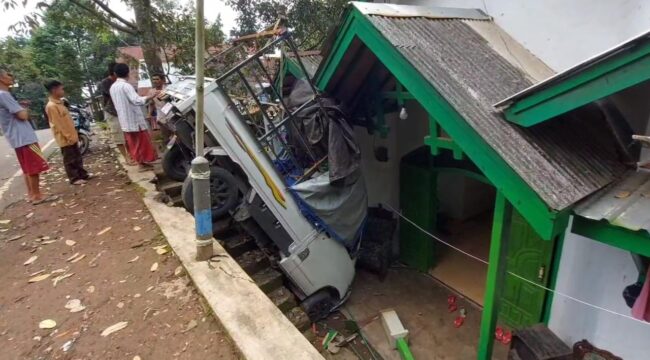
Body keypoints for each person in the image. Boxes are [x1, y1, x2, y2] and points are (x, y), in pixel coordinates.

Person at [0, 68, 55, 204]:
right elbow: (22, 116)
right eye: (7, 75)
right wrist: (24, 109)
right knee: (34, 167)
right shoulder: (4, 94)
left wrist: (20, 106)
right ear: (1, 78)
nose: (10, 76)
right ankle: (37, 196)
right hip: (24, 136)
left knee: (27, 168)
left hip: (16, 137)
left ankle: (32, 194)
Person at [109, 63, 159, 168]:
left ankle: (141, 162)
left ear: (115, 74)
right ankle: (142, 163)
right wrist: (149, 96)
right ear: (128, 73)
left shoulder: (113, 87)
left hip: (124, 119)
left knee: (133, 143)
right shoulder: (126, 86)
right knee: (141, 143)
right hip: (134, 119)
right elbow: (136, 100)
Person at [44, 80, 91, 185]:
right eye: (61, 89)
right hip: (65, 137)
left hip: (72, 134)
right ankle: (74, 178)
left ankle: (82, 174)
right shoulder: (51, 106)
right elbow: (59, 124)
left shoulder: (60, 103)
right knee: (70, 158)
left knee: (77, 156)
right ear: (54, 90)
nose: (63, 91)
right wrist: (68, 136)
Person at [101, 62, 134, 165]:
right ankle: (126, 158)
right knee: (118, 136)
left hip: (122, 113)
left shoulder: (122, 83)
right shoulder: (107, 83)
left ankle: (132, 156)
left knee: (127, 135)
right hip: (112, 112)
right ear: (114, 73)